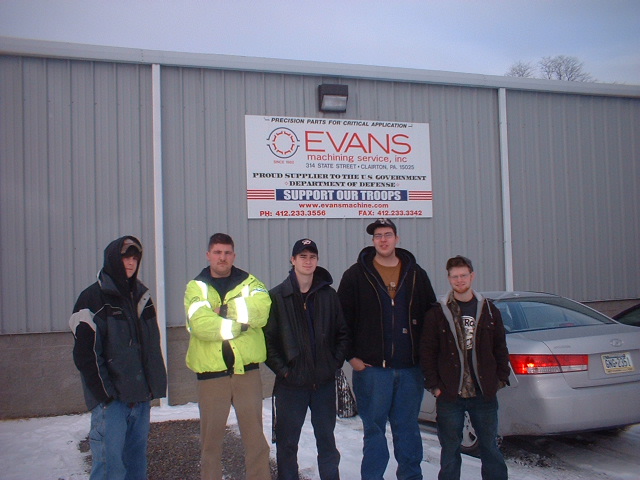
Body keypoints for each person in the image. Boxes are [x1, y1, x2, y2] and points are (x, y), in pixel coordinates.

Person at [337, 218, 436, 480]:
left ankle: (411, 477)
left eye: (388, 234)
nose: (383, 239)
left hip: (409, 370)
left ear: (397, 239)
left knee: (407, 430)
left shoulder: (416, 274)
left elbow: (430, 319)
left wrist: (425, 361)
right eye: (378, 235)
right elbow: (341, 320)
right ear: (373, 241)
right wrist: (352, 357)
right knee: (374, 431)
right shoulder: (355, 275)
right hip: (372, 371)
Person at [69, 235, 167, 480]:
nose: (131, 263)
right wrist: (105, 395)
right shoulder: (92, 298)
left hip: (140, 400)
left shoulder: (142, 297)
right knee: (109, 468)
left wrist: (152, 387)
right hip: (111, 403)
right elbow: (86, 355)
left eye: (135, 258)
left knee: (136, 466)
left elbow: (151, 347)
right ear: (113, 259)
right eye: (125, 257)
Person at [184, 233, 271, 480]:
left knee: (256, 441)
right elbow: (200, 324)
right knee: (210, 445)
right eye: (217, 252)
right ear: (208, 255)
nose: (222, 257)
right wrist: (241, 324)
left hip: (247, 373)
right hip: (211, 376)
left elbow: (261, 311)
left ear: (234, 255)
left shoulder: (251, 282)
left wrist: (222, 311)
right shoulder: (196, 287)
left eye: (227, 252)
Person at [265, 238, 350, 480]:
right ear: (293, 261)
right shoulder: (277, 297)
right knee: (287, 445)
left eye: (312, 256)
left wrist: (333, 364)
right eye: (302, 256)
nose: (308, 261)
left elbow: (342, 333)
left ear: (317, 261)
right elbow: (268, 342)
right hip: (291, 386)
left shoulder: (328, 295)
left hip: (323, 384)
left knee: (327, 442)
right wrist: (285, 371)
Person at [420, 255, 510, 480]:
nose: (459, 280)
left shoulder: (489, 310)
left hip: (483, 394)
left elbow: (500, 346)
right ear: (449, 279)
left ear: (472, 276)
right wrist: (434, 386)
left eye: (463, 275)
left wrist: (500, 378)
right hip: (450, 395)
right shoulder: (437, 313)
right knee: (450, 451)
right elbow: (427, 352)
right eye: (454, 277)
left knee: (490, 447)